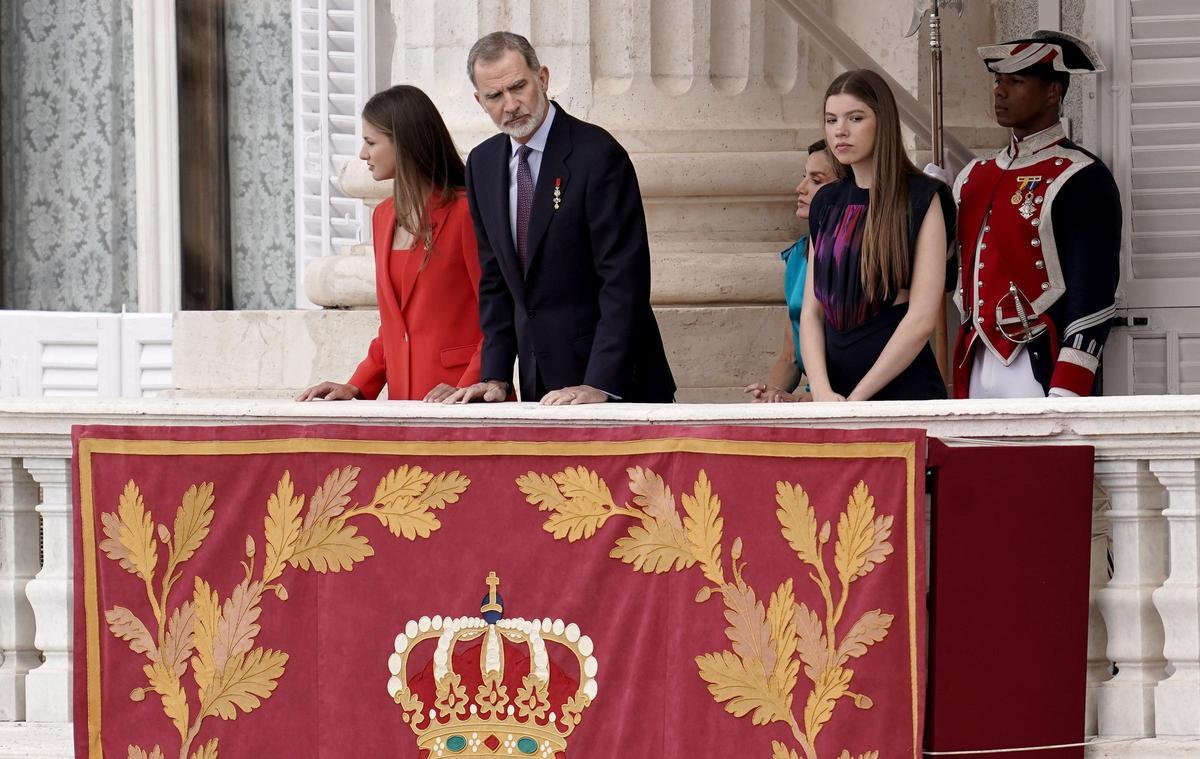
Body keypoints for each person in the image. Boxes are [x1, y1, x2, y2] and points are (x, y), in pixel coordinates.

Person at [443, 32, 675, 405]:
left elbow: (623, 280)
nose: (511, 104)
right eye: (494, 96)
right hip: (540, 386)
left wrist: (599, 383)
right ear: (479, 100)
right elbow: (495, 283)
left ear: (543, 78)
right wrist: (496, 374)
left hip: (616, 386)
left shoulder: (597, 155)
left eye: (518, 87)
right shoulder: (483, 164)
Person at [950, 31, 1120, 398]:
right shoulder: (972, 177)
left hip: (1040, 362)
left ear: (1052, 92)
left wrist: (1069, 385)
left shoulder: (1081, 175)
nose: (1000, 91)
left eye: (1016, 81)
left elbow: (1093, 291)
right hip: (975, 357)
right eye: (998, 81)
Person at [297, 85, 483, 402]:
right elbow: (395, 326)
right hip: (404, 406)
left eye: (371, 142)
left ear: (405, 144)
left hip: (466, 403)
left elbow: (497, 316)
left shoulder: (465, 212)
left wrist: (468, 386)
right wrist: (357, 385)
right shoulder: (383, 217)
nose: (362, 154)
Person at [800, 69, 955, 402]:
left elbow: (921, 318)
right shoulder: (826, 202)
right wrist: (822, 392)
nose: (840, 131)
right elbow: (811, 311)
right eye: (831, 120)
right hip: (834, 397)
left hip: (903, 392)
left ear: (882, 120)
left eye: (855, 118)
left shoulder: (922, 197)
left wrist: (856, 401)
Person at [745, 140, 837, 403]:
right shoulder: (798, 255)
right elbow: (790, 357)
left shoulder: (858, 256)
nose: (801, 188)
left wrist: (797, 402)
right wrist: (771, 394)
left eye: (816, 180)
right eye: (803, 177)